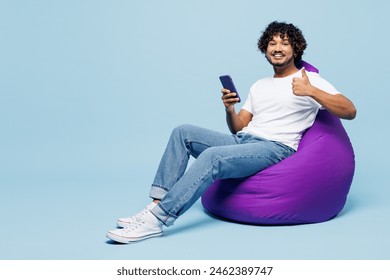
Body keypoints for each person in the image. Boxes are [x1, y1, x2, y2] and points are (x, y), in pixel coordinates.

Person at [106, 21, 356, 244]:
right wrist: (230, 109)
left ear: (295, 49)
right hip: (245, 141)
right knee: (183, 132)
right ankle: (157, 204)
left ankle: (157, 221)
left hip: (275, 148)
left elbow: (349, 110)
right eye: (272, 43)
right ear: (265, 49)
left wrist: (312, 91)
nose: (277, 48)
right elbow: (239, 128)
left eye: (285, 43)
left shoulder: (309, 80)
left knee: (213, 157)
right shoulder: (260, 85)